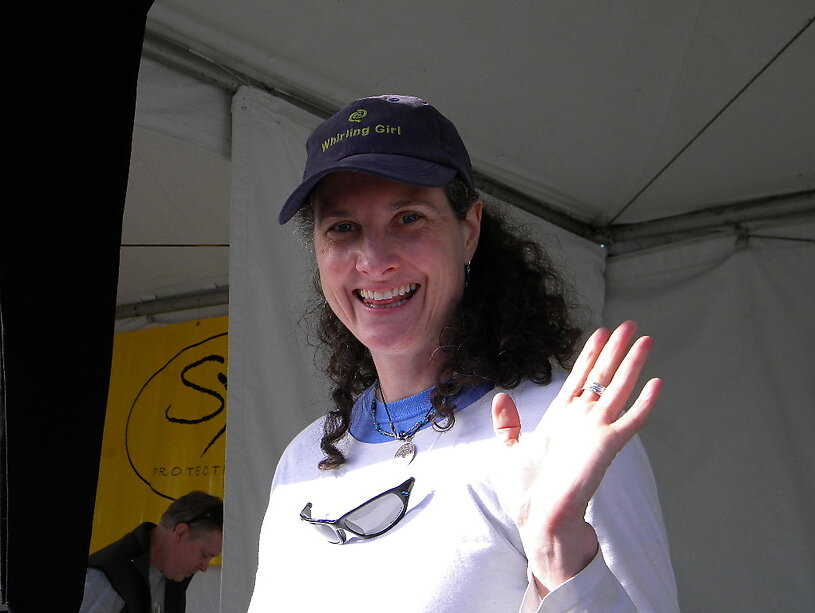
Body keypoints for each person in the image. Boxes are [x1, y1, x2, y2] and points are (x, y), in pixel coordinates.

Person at [248, 95, 679, 612]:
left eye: (408, 218)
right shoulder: (304, 458)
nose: (374, 261)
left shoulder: (560, 433)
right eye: (343, 228)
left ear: (469, 230)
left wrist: (559, 562)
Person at [81, 491, 223, 613]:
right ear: (181, 532)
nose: (204, 567)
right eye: (204, 555)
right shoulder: (107, 576)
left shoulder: (173, 575)